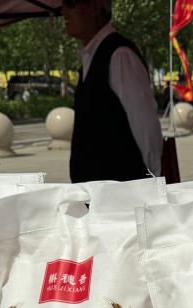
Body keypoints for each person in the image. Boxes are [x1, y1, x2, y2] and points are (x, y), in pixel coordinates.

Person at [62, 0, 163, 181]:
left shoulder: (119, 55)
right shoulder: (91, 57)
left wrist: (151, 180)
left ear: (94, 7)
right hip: (97, 190)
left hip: (122, 189)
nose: (63, 12)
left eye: (70, 3)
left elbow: (145, 127)